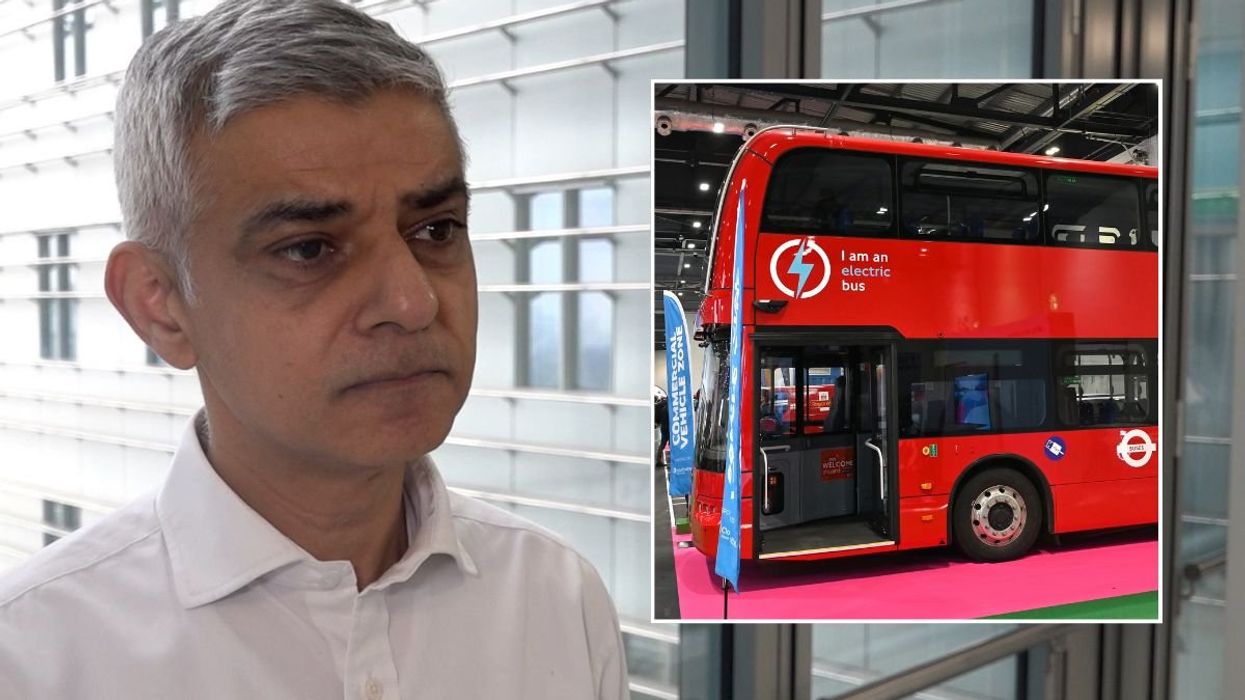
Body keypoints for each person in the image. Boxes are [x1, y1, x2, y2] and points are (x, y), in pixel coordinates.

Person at [0, 2, 626, 697]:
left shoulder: (555, 598)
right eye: (308, 249)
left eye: (436, 230)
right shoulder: (34, 657)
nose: (412, 303)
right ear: (160, 305)